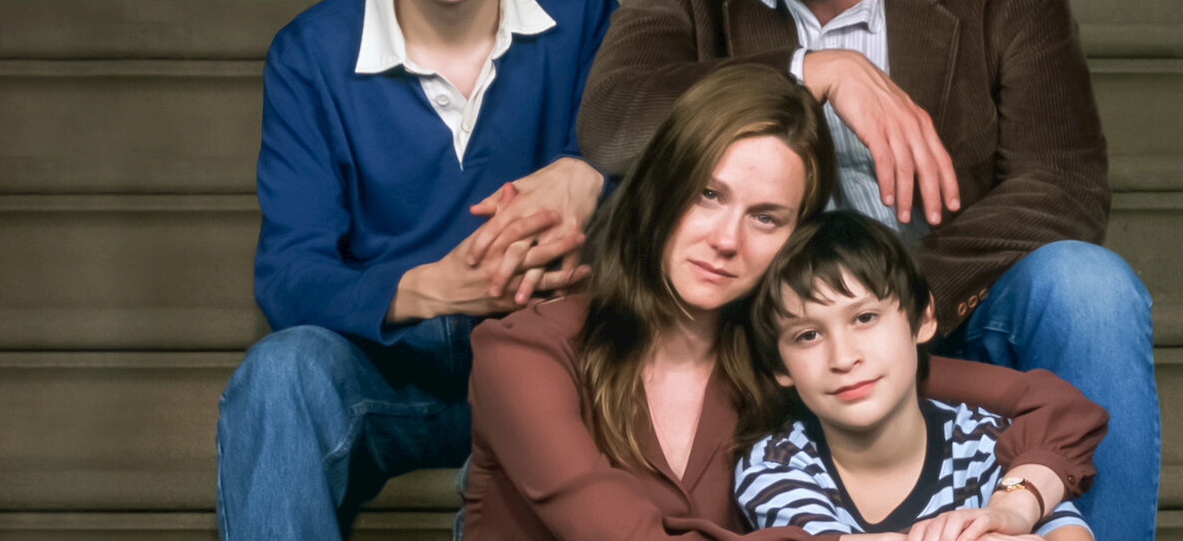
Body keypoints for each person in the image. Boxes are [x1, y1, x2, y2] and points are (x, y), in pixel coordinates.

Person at [572, 0, 1156, 540]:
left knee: (1089, 288)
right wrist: (812, 71)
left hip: (950, 312)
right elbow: (614, 119)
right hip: (783, 342)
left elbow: (1063, 183)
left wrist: (896, 302)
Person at [213, 0, 618, 539]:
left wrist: (591, 174)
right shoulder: (311, 55)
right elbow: (289, 275)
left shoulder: (583, 17)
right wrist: (426, 289)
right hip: (386, 373)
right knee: (278, 373)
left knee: (577, 383)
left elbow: (662, 171)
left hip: (546, 368)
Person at [464, 64, 1107, 540]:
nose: (726, 240)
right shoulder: (524, 352)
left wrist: (1016, 503)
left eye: (766, 217)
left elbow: (1054, 407)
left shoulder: (794, 356)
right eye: (708, 195)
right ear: (661, 185)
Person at [738, 211, 1097, 540]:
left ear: (923, 318)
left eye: (865, 318)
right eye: (808, 335)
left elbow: (1070, 536)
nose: (843, 358)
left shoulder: (987, 441)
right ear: (779, 365)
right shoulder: (776, 464)